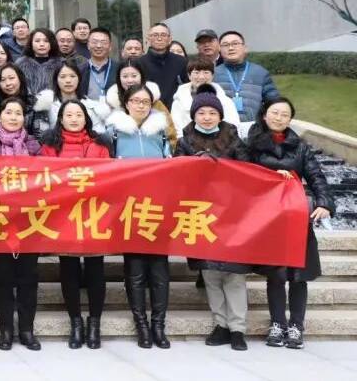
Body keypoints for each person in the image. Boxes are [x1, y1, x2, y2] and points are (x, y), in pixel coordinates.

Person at [246, 98, 333, 350]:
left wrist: (324, 203)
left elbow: (316, 176)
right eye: (275, 112)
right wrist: (271, 175)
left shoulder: (300, 146)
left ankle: (296, 326)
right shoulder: (251, 144)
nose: (279, 118)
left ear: (290, 119)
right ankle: (277, 323)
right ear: (265, 115)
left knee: (298, 275)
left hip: (296, 215)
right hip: (268, 217)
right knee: (276, 274)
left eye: (285, 114)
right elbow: (243, 173)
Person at [174, 85, 251, 351]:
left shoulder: (233, 138)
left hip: (231, 213)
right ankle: (221, 324)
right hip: (200, 213)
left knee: (234, 274)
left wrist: (216, 163)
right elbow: (176, 173)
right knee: (210, 274)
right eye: (201, 112)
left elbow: (247, 171)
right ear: (194, 115)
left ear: (220, 115)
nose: (206, 117)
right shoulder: (185, 141)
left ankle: (238, 328)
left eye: (212, 113)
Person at [39, 100, 111, 349]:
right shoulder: (50, 145)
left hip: (94, 213)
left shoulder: (100, 144)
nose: (73, 119)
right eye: (68, 115)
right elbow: (45, 178)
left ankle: (95, 324)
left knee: (95, 269)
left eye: (78, 115)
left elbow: (110, 178)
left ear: (86, 118)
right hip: (63, 213)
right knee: (68, 268)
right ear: (60, 119)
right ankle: (76, 323)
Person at [106, 83, 173, 349]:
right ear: (126, 103)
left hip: (157, 206)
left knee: (159, 270)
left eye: (145, 101)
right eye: (135, 101)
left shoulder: (160, 130)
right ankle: (141, 325)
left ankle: (159, 325)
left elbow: (171, 165)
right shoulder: (113, 131)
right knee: (134, 270)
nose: (141, 106)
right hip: (128, 207)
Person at [0, 97, 42, 351]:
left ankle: (26, 329)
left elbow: (46, 179)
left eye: (18, 113)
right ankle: (5, 329)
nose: (13, 117)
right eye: (9, 112)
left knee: (29, 277)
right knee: (2, 277)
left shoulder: (33, 144)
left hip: (30, 219)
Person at [105, 60, 178, 149]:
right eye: (125, 76)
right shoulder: (112, 105)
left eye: (134, 76)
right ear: (119, 78)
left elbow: (171, 136)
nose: (130, 80)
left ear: (142, 77)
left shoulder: (156, 103)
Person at [214, 30, 280, 124]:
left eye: (235, 43)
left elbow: (274, 103)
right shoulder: (213, 74)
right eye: (225, 45)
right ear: (219, 50)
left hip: (255, 128)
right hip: (223, 128)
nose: (231, 48)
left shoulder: (260, 72)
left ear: (245, 48)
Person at [35, 60, 111, 135]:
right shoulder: (47, 105)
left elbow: (99, 135)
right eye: (63, 77)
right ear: (56, 80)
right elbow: (41, 135)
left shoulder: (92, 107)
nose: (68, 80)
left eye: (72, 76)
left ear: (79, 79)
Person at [170, 56, 241, 135]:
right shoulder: (179, 102)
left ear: (212, 75)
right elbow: (178, 131)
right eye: (196, 72)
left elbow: (233, 127)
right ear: (189, 75)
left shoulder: (225, 101)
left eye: (206, 72)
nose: (201, 77)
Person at [0, 63, 46, 138]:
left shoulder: (34, 102)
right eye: (3, 80)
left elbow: (40, 135)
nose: (8, 83)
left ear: (20, 79)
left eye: (11, 78)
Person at [139, 22, 188, 109]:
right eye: (155, 35)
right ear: (148, 38)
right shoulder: (139, 63)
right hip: (148, 110)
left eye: (163, 35)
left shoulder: (182, 62)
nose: (159, 38)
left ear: (170, 39)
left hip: (176, 110)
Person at [15, 28, 63, 95]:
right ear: (31, 43)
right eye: (37, 41)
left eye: (46, 41)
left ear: (51, 43)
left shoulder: (62, 64)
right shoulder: (20, 64)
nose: (42, 44)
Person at [81, 27, 118, 102]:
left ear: (110, 46)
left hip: (113, 108)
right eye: (94, 42)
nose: (98, 46)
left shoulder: (119, 69)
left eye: (103, 42)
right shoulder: (80, 69)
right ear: (88, 45)